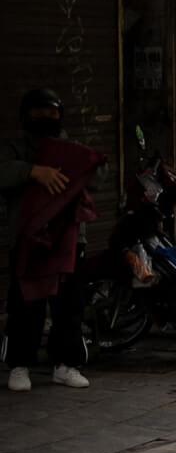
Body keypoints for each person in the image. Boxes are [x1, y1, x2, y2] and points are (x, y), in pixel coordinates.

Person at [1, 87, 103, 392]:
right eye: (38, 112)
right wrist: (34, 172)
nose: (45, 117)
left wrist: (78, 166)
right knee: (25, 307)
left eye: (51, 112)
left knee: (69, 306)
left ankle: (66, 364)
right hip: (28, 240)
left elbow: (97, 175)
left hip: (69, 241)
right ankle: (20, 366)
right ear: (24, 116)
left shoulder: (71, 148)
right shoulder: (15, 149)